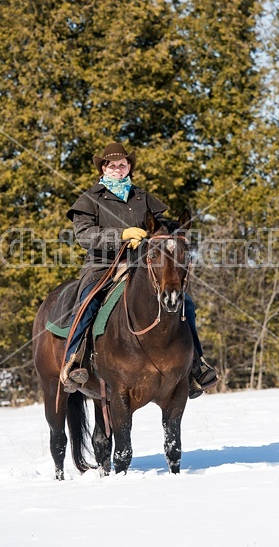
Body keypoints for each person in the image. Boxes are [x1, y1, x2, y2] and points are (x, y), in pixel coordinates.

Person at [60, 142, 218, 398]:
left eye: (122, 164)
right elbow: (84, 235)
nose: (118, 169)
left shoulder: (143, 198)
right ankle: (74, 361)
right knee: (88, 301)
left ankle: (196, 366)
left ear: (130, 167)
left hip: (144, 268)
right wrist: (121, 235)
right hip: (103, 267)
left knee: (185, 304)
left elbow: (164, 228)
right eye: (112, 165)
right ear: (103, 168)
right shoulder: (89, 199)